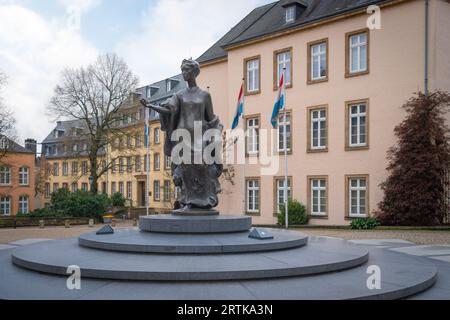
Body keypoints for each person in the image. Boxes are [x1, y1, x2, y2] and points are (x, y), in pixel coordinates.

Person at [141, 59, 223, 213]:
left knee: (203, 168)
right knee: (185, 169)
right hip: (182, 136)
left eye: (186, 70)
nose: (184, 73)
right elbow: (169, 111)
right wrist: (152, 106)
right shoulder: (178, 95)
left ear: (194, 72)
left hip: (199, 135)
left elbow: (210, 117)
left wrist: (215, 134)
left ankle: (206, 201)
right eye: (182, 70)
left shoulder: (205, 95)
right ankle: (188, 202)